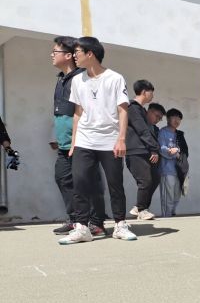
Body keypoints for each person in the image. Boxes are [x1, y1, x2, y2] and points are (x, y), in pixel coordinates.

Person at [59, 36, 136, 244]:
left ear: (90, 53)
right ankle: (82, 228)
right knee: (80, 183)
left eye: (77, 52)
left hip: (110, 140)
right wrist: (74, 142)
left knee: (115, 184)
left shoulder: (115, 78)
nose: (74, 56)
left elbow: (123, 110)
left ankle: (120, 225)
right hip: (84, 140)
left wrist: (121, 139)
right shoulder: (77, 80)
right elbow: (78, 112)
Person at [49, 35, 107, 236]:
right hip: (65, 143)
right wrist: (58, 136)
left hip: (84, 142)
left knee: (88, 182)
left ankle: (96, 222)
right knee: (63, 178)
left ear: (68, 55)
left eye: (54, 51)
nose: (51, 55)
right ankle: (75, 220)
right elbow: (62, 114)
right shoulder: (61, 79)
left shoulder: (83, 78)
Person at [125, 79, 161, 221]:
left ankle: (139, 207)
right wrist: (155, 148)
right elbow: (142, 130)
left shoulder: (141, 110)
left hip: (145, 150)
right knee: (145, 181)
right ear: (145, 92)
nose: (153, 95)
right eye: (151, 92)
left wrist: (153, 149)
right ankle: (141, 209)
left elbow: (147, 131)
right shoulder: (132, 108)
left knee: (155, 178)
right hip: (135, 151)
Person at [158, 108, 186, 216]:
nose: (177, 120)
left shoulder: (180, 134)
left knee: (176, 196)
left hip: (179, 170)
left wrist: (177, 152)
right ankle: (167, 217)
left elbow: (185, 151)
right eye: (174, 117)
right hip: (167, 170)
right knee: (168, 197)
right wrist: (172, 152)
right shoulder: (163, 132)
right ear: (168, 119)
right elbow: (161, 149)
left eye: (179, 118)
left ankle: (172, 215)